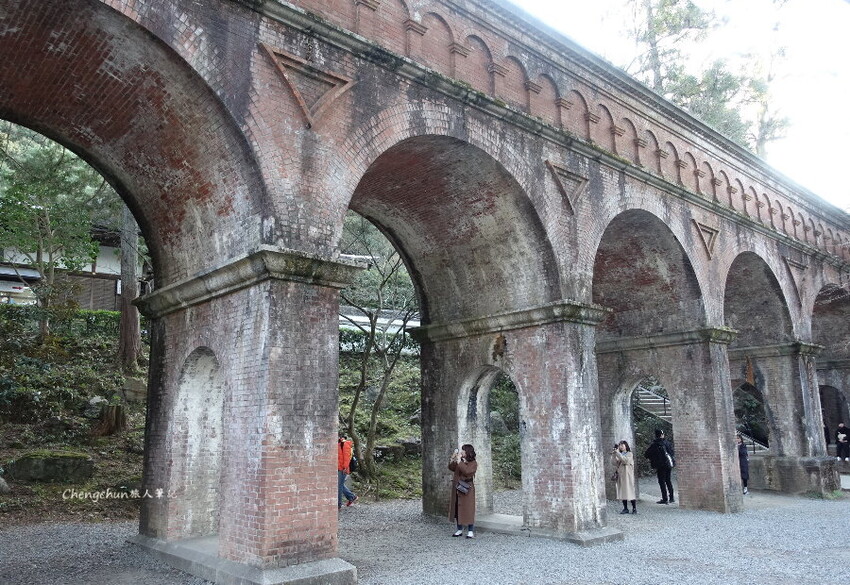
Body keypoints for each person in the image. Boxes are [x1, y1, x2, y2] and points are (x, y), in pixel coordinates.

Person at [448, 444, 478, 538]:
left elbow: (467, 471)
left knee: (468, 509)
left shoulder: (473, 463)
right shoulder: (460, 461)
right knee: (457, 508)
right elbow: (451, 468)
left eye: (463, 451)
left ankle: (470, 530)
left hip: (467, 488)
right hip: (458, 487)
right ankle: (459, 529)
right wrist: (453, 459)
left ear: (467, 452)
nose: (461, 452)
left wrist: (460, 462)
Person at [644, 429, 675, 504]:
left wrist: (654, 458)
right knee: (668, 480)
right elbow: (672, 452)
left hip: (660, 466)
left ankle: (665, 498)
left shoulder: (655, 444)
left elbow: (646, 454)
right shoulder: (667, 443)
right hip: (668, 464)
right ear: (662, 434)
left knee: (661, 482)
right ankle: (671, 498)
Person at [611, 440, 637, 514]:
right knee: (622, 491)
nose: (621, 447)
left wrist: (618, 453)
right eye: (620, 445)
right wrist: (614, 454)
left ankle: (634, 508)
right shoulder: (620, 454)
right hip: (621, 475)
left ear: (626, 446)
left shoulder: (629, 454)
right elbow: (613, 463)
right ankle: (625, 508)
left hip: (628, 476)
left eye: (622, 445)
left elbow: (625, 461)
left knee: (630, 491)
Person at [338, 435, 358, 508]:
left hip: (342, 469)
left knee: (339, 486)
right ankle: (352, 497)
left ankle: (338, 504)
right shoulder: (338, 444)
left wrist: (345, 468)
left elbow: (347, 457)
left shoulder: (344, 444)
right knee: (340, 485)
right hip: (338, 468)